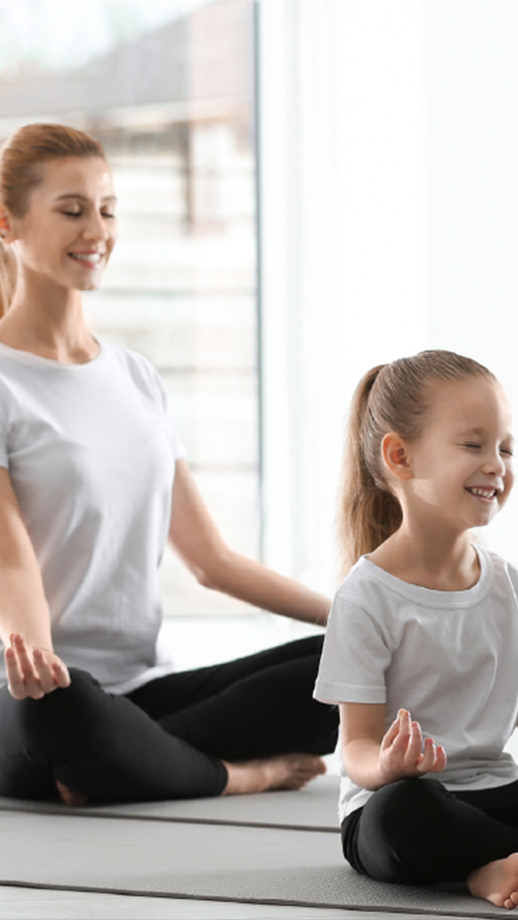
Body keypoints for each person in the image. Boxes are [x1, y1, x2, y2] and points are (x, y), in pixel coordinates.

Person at [0, 122, 338, 807]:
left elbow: (212, 561)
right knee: (64, 712)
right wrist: (36, 659)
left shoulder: (137, 378)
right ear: (7, 222)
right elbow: (12, 561)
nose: (96, 229)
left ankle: (123, 761)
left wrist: (353, 618)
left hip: (141, 692)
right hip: (36, 695)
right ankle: (231, 773)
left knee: (364, 669)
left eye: (107, 209)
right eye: (71, 210)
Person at [314, 349, 518, 911]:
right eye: (474, 445)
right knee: (406, 815)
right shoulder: (366, 596)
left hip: (492, 793)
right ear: (400, 457)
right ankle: (488, 864)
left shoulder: (509, 587)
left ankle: (487, 861)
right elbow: (354, 743)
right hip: (397, 802)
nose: (497, 465)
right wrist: (387, 766)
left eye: (505, 447)